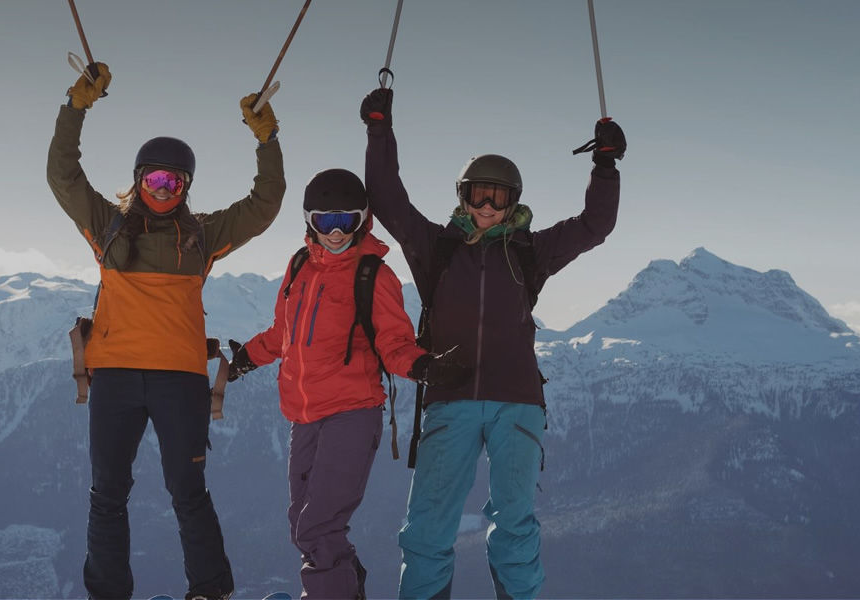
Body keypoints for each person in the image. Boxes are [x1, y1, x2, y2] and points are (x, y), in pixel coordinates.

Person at [358, 87, 624, 599]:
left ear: (513, 202)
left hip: (515, 402)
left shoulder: (531, 251)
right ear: (462, 195)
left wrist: (606, 168)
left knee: (515, 523)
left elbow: (596, 224)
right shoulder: (435, 247)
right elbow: (387, 197)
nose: (486, 205)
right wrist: (378, 129)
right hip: (450, 399)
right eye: (478, 193)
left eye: (498, 197)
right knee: (429, 525)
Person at [47, 62, 286, 600]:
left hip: (178, 380)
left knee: (187, 491)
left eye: (173, 182)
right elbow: (63, 175)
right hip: (116, 377)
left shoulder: (202, 236)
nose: (162, 189)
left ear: (186, 187)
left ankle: (209, 590)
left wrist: (267, 139)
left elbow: (265, 204)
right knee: (107, 493)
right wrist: (75, 106)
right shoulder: (106, 226)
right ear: (137, 180)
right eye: (153, 179)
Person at [225, 168, 472, 599]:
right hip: (303, 417)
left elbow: (394, 343)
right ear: (309, 221)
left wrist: (424, 367)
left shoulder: (373, 275)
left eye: (346, 221)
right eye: (325, 221)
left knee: (318, 524)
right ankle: (343, 589)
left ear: (363, 219)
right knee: (302, 526)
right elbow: (283, 333)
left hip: (351, 414)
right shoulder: (299, 265)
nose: (336, 232)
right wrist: (245, 359)